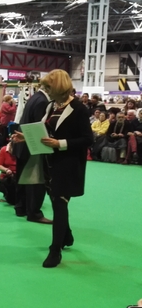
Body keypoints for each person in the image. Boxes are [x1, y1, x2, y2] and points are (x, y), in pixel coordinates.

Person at [11, 69, 93, 268]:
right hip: (47, 163)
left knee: (59, 204)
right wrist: (26, 138)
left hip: (67, 165)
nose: (44, 89)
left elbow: (87, 139)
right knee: (56, 201)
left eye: (48, 86)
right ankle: (67, 236)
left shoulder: (79, 109)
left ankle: (55, 251)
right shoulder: (50, 106)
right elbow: (43, 131)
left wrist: (60, 144)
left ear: (59, 87)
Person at [13, 85, 53, 224]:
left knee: (22, 179)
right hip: (32, 145)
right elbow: (38, 127)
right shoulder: (42, 101)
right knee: (36, 181)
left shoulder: (34, 98)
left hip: (23, 144)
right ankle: (34, 213)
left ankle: (21, 208)